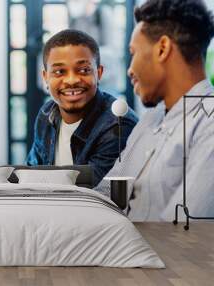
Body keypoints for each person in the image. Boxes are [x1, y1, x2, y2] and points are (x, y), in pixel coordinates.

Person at [95, 0, 214, 221]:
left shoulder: (209, 124)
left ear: (162, 49)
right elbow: (105, 195)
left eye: (134, 53)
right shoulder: (150, 120)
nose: (130, 69)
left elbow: (181, 234)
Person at [26, 29, 138, 186]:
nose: (71, 80)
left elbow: (96, 194)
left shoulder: (118, 124)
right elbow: (30, 174)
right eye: (59, 72)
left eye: (84, 70)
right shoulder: (46, 114)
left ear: (99, 73)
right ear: (45, 77)